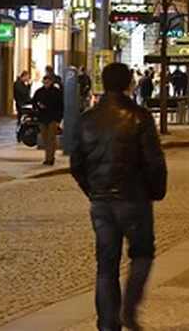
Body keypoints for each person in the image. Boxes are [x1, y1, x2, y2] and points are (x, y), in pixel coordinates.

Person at [69, 62, 167, 331]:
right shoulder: (139, 117)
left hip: (101, 201)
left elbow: (76, 163)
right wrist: (155, 191)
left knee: (106, 265)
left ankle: (107, 324)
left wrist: (93, 190)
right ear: (128, 84)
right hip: (134, 198)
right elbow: (154, 161)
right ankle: (128, 309)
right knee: (142, 253)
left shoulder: (87, 119)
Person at [32, 72, 65, 166]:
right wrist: (38, 108)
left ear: (51, 82)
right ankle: (48, 156)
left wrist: (58, 120)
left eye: (48, 82)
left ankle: (49, 158)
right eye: (45, 82)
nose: (46, 84)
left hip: (52, 118)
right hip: (42, 118)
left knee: (51, 138)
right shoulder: (39, 92)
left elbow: (60, 106)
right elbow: (34, 102)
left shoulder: (56, 92)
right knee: (45, 138)